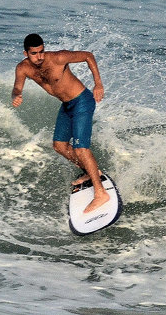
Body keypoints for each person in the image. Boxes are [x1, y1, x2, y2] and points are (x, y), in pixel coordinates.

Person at [11, 33, 110, 213]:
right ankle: (91, 171)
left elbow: (88, 55)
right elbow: (17, 86)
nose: (39, 57)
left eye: (41, 51)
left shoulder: (58, 58)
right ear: (26, 53)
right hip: (67, 105)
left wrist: (98, 84)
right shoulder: (23, 68)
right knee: (59, 146)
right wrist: (16, 95)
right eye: (34, 53)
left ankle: (100, 193)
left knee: (81, 149)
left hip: (81, 101)